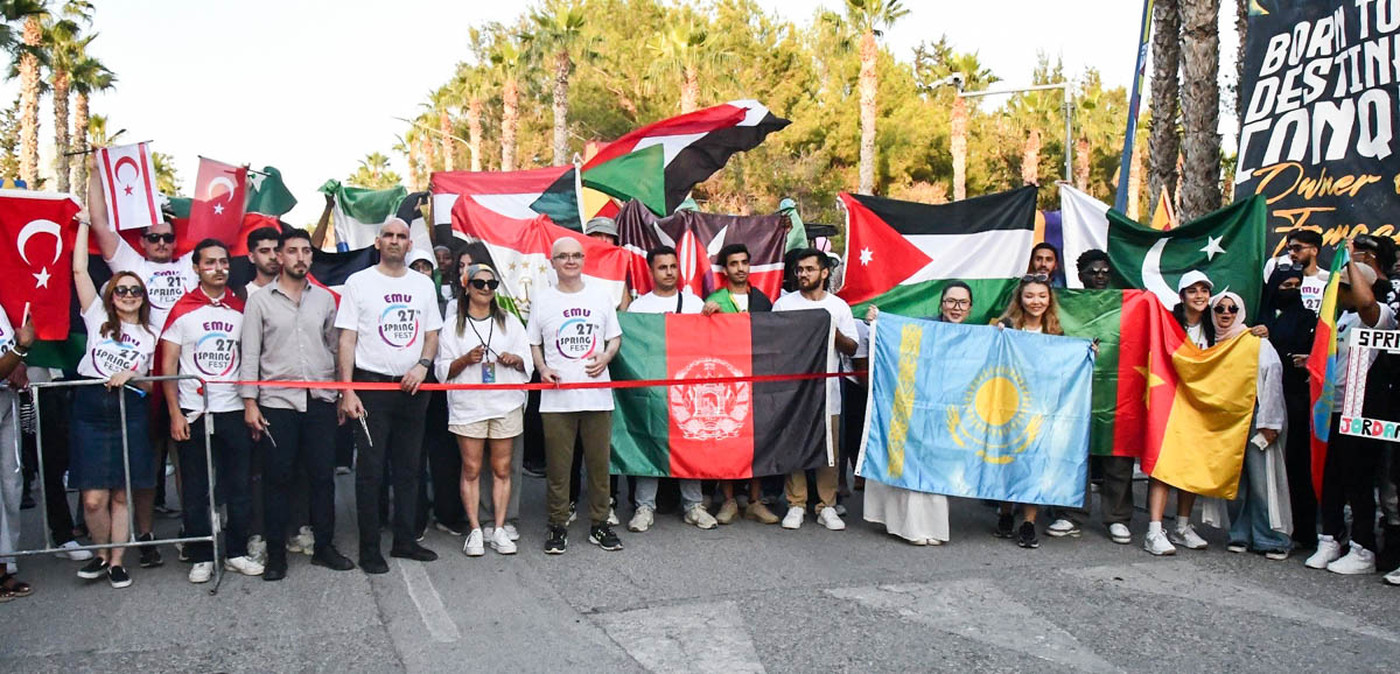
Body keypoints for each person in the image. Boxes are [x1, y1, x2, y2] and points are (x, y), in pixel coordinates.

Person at [87, 167, 196, 566]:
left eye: (168, 237)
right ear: (143, 241)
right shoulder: (133, 267)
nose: (162, 243)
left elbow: (223, 225)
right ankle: (145, 533)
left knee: (185, 458)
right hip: (139, 375)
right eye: (154, 237)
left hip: (181, 373)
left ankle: (192, 527)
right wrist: (97, 171)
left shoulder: (189, 265)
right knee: (148, 462)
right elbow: (99, 223)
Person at [242, 229, 355, 581]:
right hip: (277, 403)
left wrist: (341, 392)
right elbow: (249, 353)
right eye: (293, 251)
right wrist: (249, 402)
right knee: (278, 480)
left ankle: (324, 547)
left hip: (320, 400)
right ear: (280, 257)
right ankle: (277, 555)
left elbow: (335, 348)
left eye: (306, 251)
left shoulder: (323, 300)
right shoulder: (259, 301)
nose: (300, 258)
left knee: (322, 478)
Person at [335, 219, 443, 573]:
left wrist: (423, 366)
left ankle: (405, 541)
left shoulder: (423, 285)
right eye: (390, 236)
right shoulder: (359, 283)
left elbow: (431, 334)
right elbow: (347, 339)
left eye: (402, 237)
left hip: (413, 388)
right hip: (372, 388)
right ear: (378, 242)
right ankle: (370, 549)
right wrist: (347, 389)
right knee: (371, 471)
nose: (396, 241)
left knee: (410, 469)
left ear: (410, 245)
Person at [158, 239, 264, 583]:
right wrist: (174, 412)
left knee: (238, 485)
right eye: (210, 263)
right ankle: (201, 554)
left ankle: (235, 551)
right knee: (196, 487)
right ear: (196, 268)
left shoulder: (240, 308)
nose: (218, 269)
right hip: (194, 410)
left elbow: (251, 358)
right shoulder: (182, 310)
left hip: (233, 408)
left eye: (223, 262)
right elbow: (168, 366)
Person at [68, 222, 159, 589]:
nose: (128, 294)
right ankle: (103, 553)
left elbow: (153, 385)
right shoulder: (96, 320)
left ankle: (117, 560)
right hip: (91, 407)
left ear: (143, 296)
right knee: (93, 497)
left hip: (130, 409)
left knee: (122, 492)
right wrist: (84, 226)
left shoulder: (150, 335)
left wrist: (133, 374)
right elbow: (78, 270)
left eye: (135, 290)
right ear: (112, 294)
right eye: (121, 289)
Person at [1306, 242, 1397, 575]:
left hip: (1361, 408)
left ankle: (1363, 549)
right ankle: (1331, 537)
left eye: (1345, 286)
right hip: (1332, 404)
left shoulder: (1379, 315)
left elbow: (1367, 301)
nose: (1341, 291)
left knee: (1358, 480)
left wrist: (1351, 265)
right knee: (1330, 477)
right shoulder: (1340, 317)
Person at [528, 237, 624, 554]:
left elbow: (615, 337)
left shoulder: (599, 295)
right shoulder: (542, 300)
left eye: (576, 256)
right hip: (557, 398)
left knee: (599, 467)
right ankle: (558, 526)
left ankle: (599, 524)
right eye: (563, 256)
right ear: (552, 262)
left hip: (596, 396)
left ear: (584, 260)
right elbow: (533, 343)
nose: (570, 261)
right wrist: (542, 368)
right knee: (558, 468)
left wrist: (607, 357)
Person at [438, 264, 532, 556]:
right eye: (480, 283)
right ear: (467, 286)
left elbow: (526, 363)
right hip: (469, 405)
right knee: (472, 468)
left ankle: (500, 529)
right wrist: (465, 359)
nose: (486, 289)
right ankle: (476, 529)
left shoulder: (510, 323)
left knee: (502, 469)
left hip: (504, 403)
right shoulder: (453, 326)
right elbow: (442, 370)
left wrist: (514, 359)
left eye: (492, 284)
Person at [861, 285, 962, 546]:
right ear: (942, 304)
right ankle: (908, 527)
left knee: (936, 471)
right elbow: (898, 340)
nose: (956, 307)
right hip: (914, 408)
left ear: (970, 307)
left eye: (963, 303)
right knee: (909, 466)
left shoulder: (972, 336)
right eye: (951, 301)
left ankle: (935, 527)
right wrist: (878, 322)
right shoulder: (924, 328)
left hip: (947, 416)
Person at [625, 246, 717, 532]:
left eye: (673, 267)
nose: (669, 272)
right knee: (647, 442)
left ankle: (693, 505)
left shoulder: (693, 304)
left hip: (686, 390)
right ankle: (644, 506)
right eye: (662, 267)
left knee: (689, 443)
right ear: (651, 271)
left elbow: (710, 344)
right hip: (650, 389)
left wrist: (717, 315)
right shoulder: (638, 308)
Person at [1199, 292, 1290, 559]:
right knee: (1235, 485)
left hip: (1256, 417)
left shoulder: (1256, 342)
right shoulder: (1210, 343)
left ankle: (1271, 538)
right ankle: (1240, 534)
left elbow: (1273, 377)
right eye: (1220, 309)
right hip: (1226, 421)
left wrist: (1270, 422)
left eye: (1232, 308)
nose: (1226, 313)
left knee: (1263, 482)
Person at [773, 249, 859, 531]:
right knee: (794, 446)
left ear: (824, 273)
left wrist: (830, 330)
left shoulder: (839, 307)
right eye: (799, 270)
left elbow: (852, 348)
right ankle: (796, 503)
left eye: (810, 269)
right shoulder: (784, 305)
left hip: (828, 391)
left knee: (829, 450)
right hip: (794, 393)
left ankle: (827, 505)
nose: (803, 274)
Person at [702, 243, 781, 525]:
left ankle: (755, 501)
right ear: (725, 269)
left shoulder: (763, 301)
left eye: (744, 262)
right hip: (726, 383)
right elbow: (702, 342)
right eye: (734, 263)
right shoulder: (715, 300)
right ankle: (729, 500)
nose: (740, 268)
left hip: (757, 380)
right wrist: (705, 317)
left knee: (756, 441)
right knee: (727, 440)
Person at [1144, 271, 1217, 556]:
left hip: (1199, 408)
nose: (1199, 296)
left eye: (1204, 291)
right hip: (1169, 403)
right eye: (1192, 291)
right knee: (1163, 465)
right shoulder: (1168, 324)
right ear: (1181, 295)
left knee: (1192, 465)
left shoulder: (1215, 327)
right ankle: (1154, 529)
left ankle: (1183, 526)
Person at [993, 274, 1067, 549]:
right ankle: (1005, 511)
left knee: (1035, 463)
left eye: (1041, 296)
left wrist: (1085, 353)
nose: (1036, 301)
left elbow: (1065, 366)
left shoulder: (1056, 332)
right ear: (1020, 299)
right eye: (1030, 296)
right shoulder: (1008, 326)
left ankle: (1028, 522)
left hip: (1042, 408)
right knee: (1008, 460)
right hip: (1009, 406)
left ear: (1049, 300)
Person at [1072, 249, 1135, 544]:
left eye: (1105, 271)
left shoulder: (1127, 303)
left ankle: (1118, 518)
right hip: (1076, 391)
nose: (1100, 276)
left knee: (1118, 455)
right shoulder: (1066, 303)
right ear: (1080, 275)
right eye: (1093, 271)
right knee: (1074, 454)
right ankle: (1070, 512)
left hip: (1116, 390)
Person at [1259, 264, 1317, 551]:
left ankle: (1303, 530)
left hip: (1295, 399)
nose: (1291, 291)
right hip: (1262, 399)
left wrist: (1308, 359)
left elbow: (1320, 352)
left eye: (1297, 286)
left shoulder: (1308, 317)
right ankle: (1265, 527)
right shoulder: (1259, 316)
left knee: (1296, 464)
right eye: (1286, 286)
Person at [0, 306, 36, 599]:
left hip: (6, 398)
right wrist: (21, 350)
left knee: (11, 484)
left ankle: (6, 562)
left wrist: (18, 361)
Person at [1264, 229, 1329, 313]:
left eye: (1297, 248)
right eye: (1290, 248)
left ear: (1314, 251)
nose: (1292, 253)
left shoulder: (1328, 279)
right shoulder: (1281, 276)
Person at [244, 226, 282, 297]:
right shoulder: (243, 296)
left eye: (277, 250)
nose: (273, 256)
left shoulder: (298, 292)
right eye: (264, 251)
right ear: (252, 257)